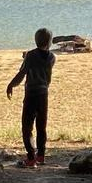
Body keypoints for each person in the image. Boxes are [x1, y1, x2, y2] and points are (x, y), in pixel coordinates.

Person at [7, 27, 55, 168]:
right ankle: (41, 156)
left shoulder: (31, 55)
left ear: (36, 40)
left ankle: (31, 157)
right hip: (44, 94)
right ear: (50, 42)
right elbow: (41, 64)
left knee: (27, 127)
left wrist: (11, 85)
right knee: (41, 126)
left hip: (31, 94)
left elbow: (22, 73)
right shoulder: (52, 57)